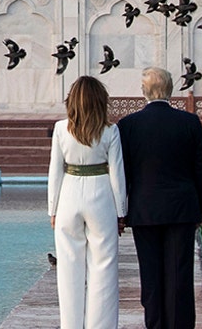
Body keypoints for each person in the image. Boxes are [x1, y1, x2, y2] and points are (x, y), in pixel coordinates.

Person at [116, 67, 202, 329]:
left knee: (151, 274)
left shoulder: (128, 125)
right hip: (182, 207)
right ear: (171, 89)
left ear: (143, 91)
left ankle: (155, 324)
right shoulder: (189, 122)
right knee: (179, 272)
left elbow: (122, 172)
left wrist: (121, 211)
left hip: (144, 209)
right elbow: (200, 168)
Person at [47, 74, 128, 329]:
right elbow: (117, 173)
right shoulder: (110, 130)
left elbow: (55, 172)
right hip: (101, 196)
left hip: (69, 197)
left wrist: (53, 209)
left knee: (69, 270)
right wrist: (121, 212)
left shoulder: (61, 128)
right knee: (103, 267)